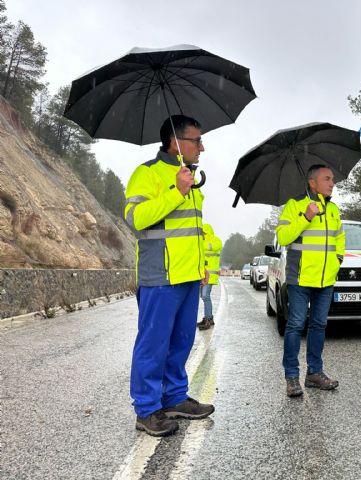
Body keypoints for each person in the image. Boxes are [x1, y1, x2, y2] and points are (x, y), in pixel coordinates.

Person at [124, 115, 215, 437]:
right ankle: (147, 410)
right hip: (160, 276)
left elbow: (190, 232)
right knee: (153, 345)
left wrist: (201, 264)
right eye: (196, 140)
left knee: (181, 343)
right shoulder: (147, 174)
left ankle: (175, 397)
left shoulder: (189, 177)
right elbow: (136, 219)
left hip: (188, 276)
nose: (202, 146)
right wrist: (176, 191)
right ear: (176, 143)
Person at [276, 164, 345, 397]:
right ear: (312, 182)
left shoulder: (333, 209)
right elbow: (284, 237)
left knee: (319, 325)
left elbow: (340, 238)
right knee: (295, 325)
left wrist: (338, 259)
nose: (332, 183)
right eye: (327, 179)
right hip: (300, 278)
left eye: (332, 179)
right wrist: (306, 216)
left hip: (326, 279)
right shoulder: (294, 205)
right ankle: (292, 377)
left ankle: (314, 373)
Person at [197, 224, 222, 330]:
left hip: (210, 276)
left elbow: (214, 246)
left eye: (203, 232)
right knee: (202, 296)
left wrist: (201, 244)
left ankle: (208, 319)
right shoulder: (200, 241)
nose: (202, 234)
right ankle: (208, 318)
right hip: (201, 275)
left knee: (205, 296)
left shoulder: (216, 241)